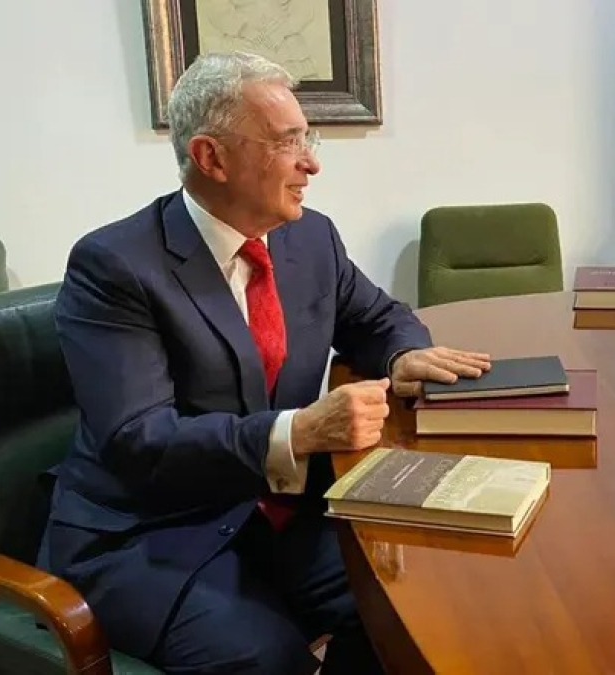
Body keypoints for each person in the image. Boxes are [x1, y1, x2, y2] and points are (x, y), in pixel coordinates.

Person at [37, 51, 490, 674]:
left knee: (414, 605)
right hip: (153, 534)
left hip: (279, 514)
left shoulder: (310, 237)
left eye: (308, 137)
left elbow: (375, 316)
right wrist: (299, 432)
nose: (312, 162)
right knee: (270, 661)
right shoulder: (114, 266)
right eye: (286, 143)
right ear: (210, 158)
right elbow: (136, 441)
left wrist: (403, 351)